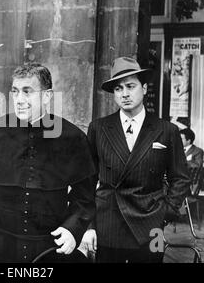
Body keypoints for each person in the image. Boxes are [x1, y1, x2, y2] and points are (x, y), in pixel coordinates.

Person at [0, 63, 97, 263]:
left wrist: (72, 229)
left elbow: (84, 198)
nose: (19, 100)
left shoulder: (72, 138)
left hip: (49, 250)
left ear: (47, 96)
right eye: (15, 92)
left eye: (27, 92)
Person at [81, 56, 191, 263]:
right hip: (108, 223)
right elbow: (86, 181)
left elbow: (181, 178)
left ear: (145, 88)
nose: (125, 94)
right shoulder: (99, 128)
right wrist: (89, 226)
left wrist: (165, 213)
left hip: (152, 226)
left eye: (130, 86)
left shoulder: (167, 130)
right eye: (118, 89)